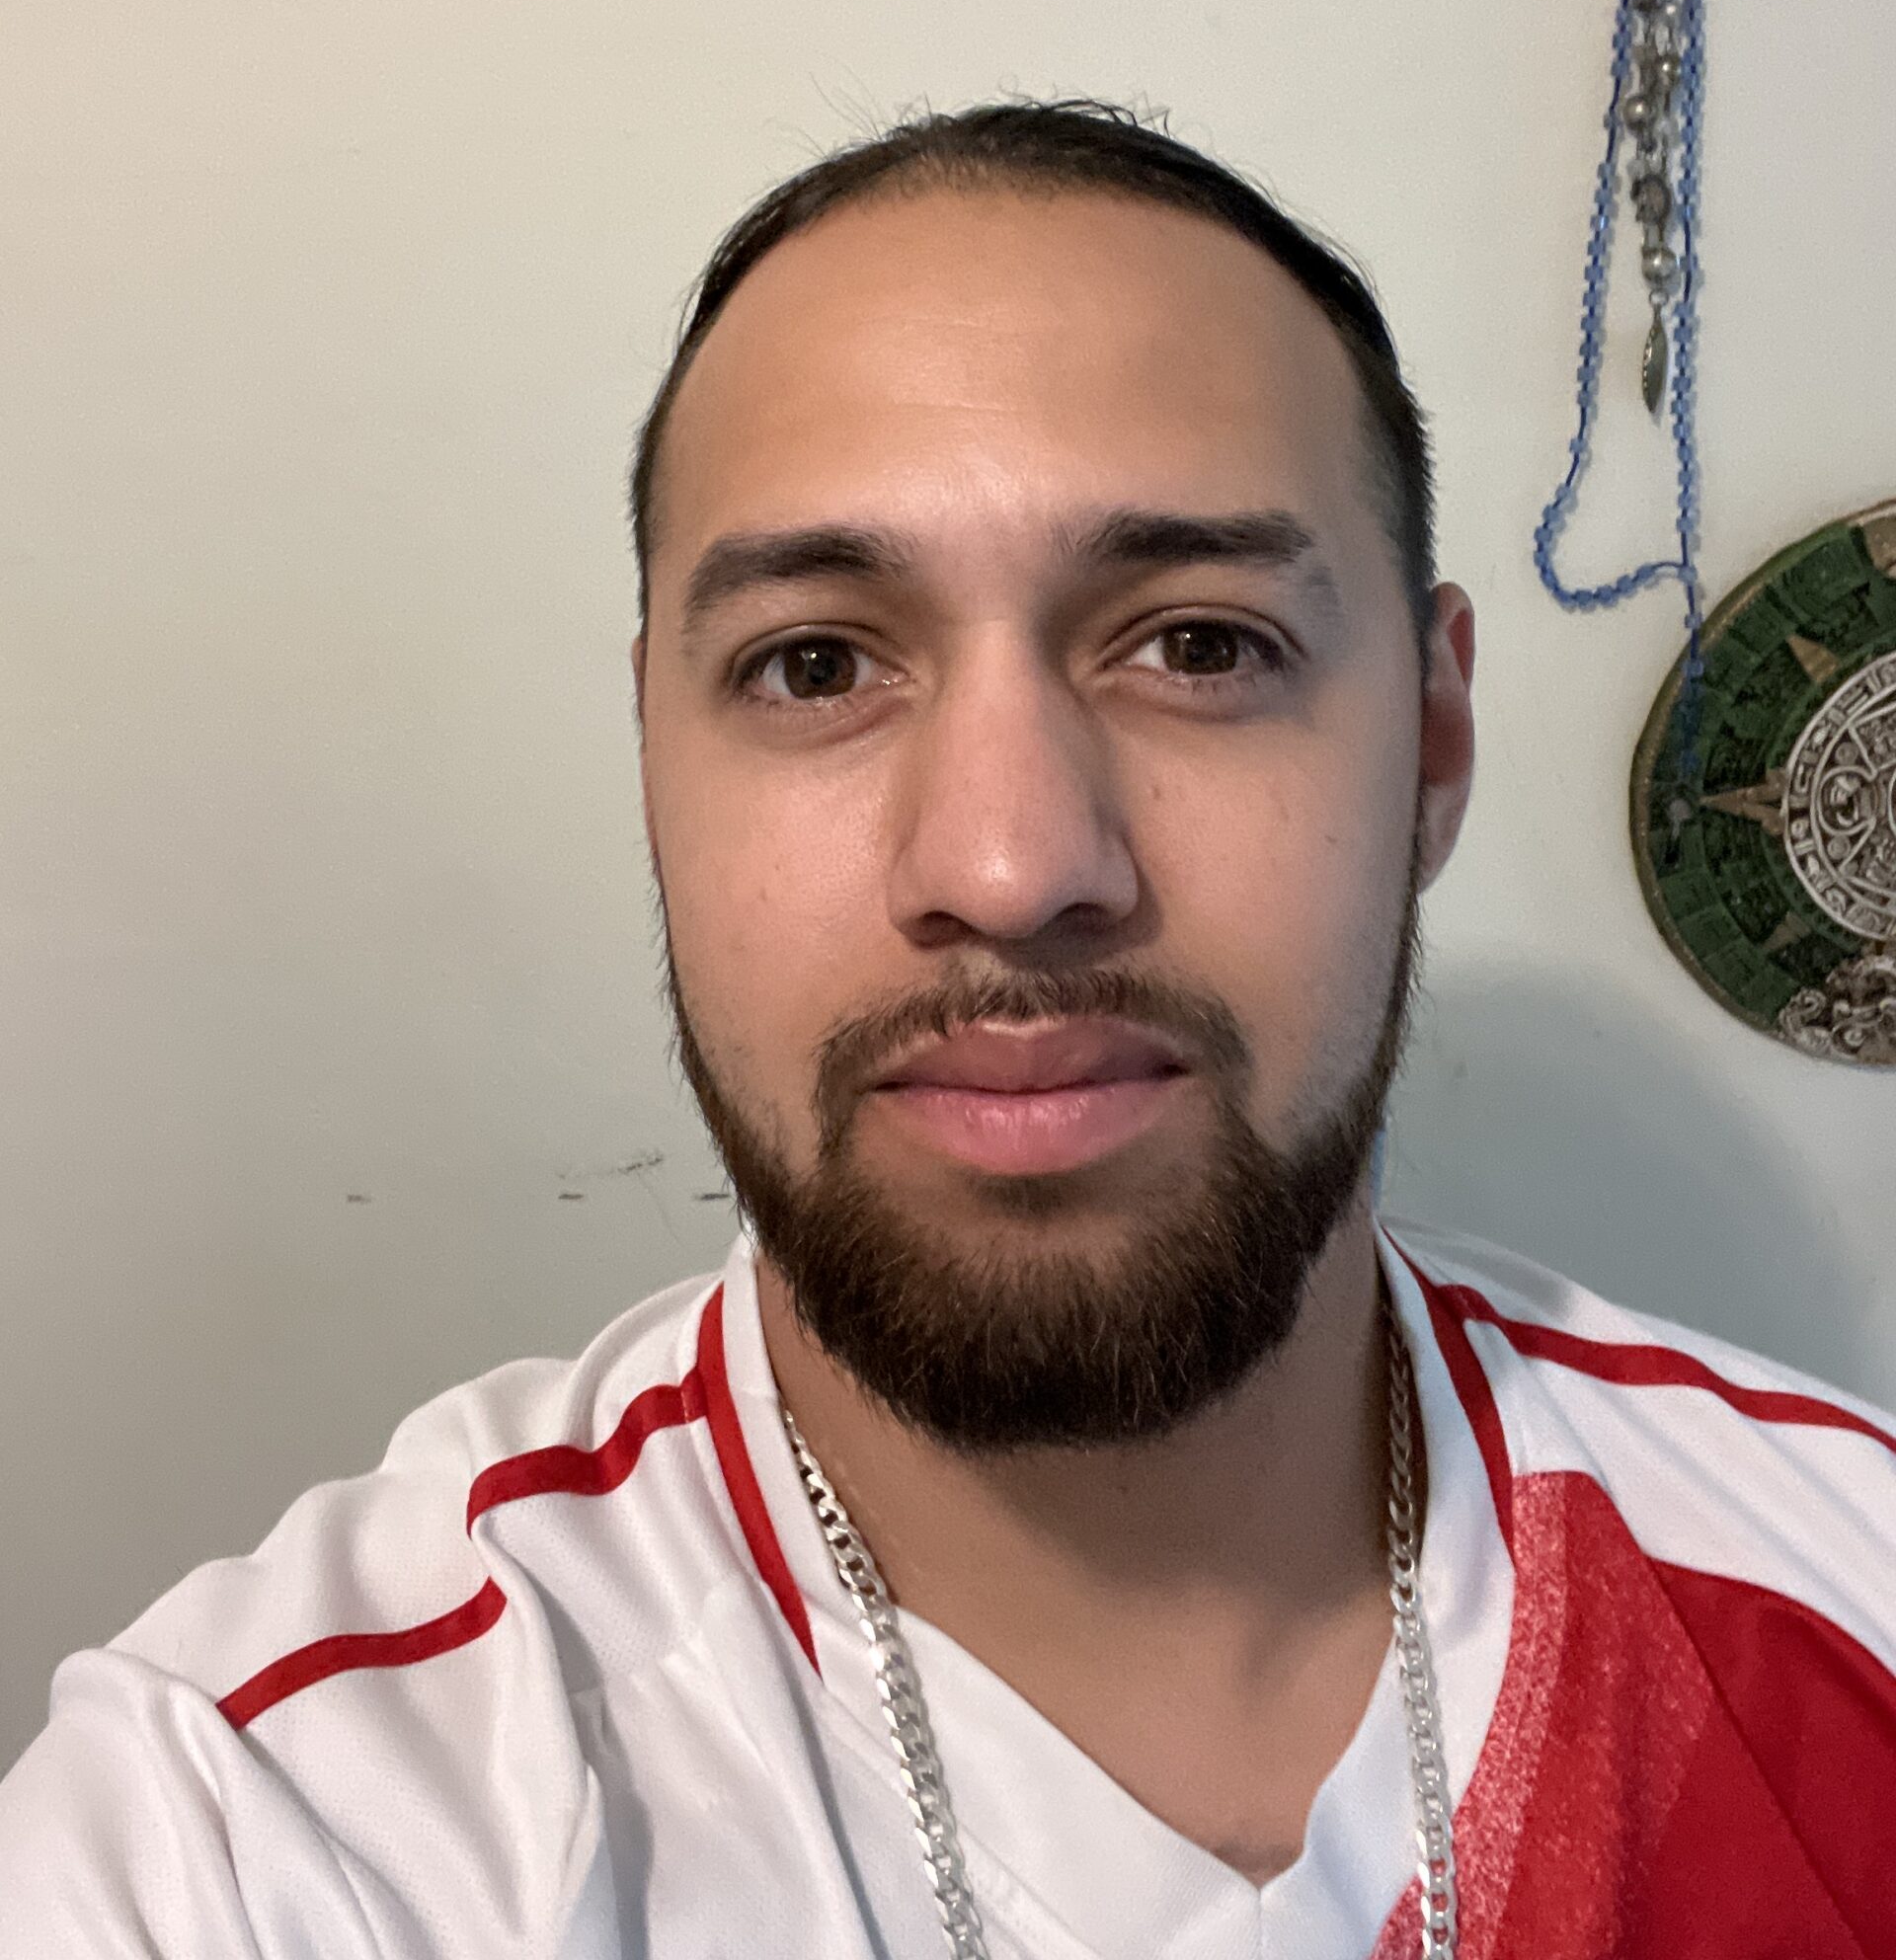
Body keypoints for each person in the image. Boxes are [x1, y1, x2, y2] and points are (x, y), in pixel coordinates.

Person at [2, 101, 1891, 1959]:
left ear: (1434, 747)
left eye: (1201, 644)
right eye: (814, 664)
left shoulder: (1847, 1584)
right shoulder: (262, 1835)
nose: (1008, 865)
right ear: (654, 766)